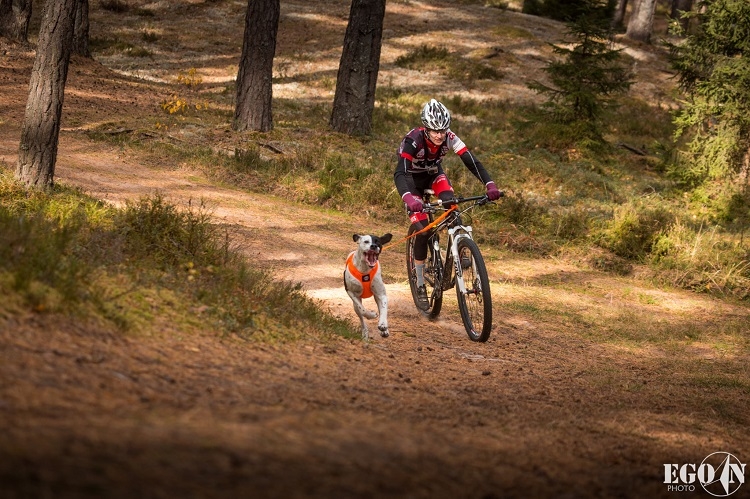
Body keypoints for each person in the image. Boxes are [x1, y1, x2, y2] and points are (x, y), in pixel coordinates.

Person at [394, 98, 502, 310]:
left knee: (452, 205)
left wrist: (490, 184)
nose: (439, 135)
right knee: (424, 232)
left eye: (443, 130)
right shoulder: (413, 140)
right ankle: (421, 284)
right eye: (435, 131)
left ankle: (461, 250)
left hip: (434, 175)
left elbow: (471, 161)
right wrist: (408, 197)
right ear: (426, 128)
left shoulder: (450, 138)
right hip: (411, 181)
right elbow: (400, 172)